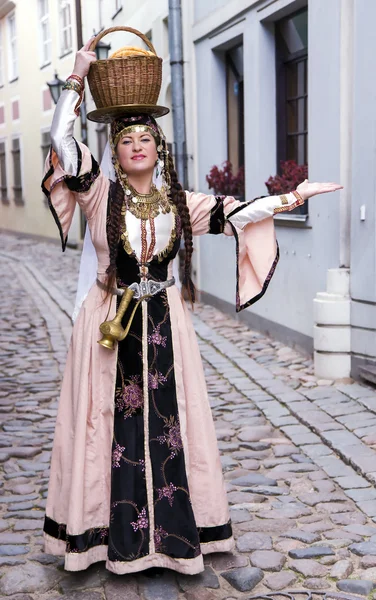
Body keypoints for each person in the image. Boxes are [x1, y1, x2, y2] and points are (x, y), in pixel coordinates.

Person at [41, 39, 342, 576]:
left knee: (169, 423)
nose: (137, 145)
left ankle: (175, 534)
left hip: (165, 327)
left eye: (146, 138)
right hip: (110, 324)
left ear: (160, 149)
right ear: (117, 148)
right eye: (126, 138)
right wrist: (77, 76)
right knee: (108, 423)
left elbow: (241, 212)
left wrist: (294, 198)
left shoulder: (182, 205)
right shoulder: (98, 194)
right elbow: (62, 140)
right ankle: (107, 536)